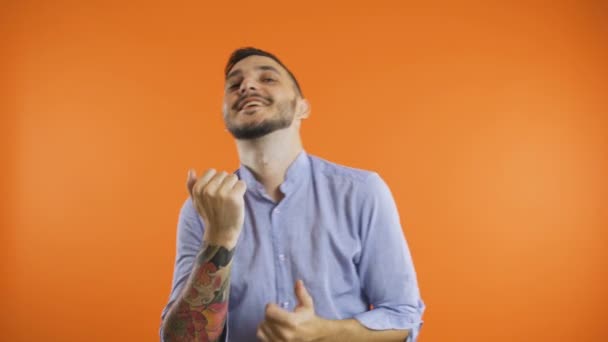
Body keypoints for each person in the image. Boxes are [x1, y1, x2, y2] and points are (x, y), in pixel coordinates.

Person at [160, 47, 425, 342]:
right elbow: (180, 340)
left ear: (302, 107)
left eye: (268, 78)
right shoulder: (201, 209)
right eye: (235, 85)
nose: (247, 86)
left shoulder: (362, 192)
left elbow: (404, 315)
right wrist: (219, 236)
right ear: (225, 117)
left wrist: (324, 333)